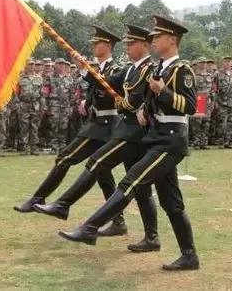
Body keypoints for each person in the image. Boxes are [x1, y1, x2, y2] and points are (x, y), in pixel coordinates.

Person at [59, 15, 200, 271]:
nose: (154, 40)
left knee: (131, 181)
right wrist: (145, 108)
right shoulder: (159, 70)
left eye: (158, 37)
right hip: (156, 136)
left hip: (170, 140)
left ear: (172, 39)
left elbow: (189, 106)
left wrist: (163, 92)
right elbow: (146, 98)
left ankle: (89, 228)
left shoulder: (182, 70)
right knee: (172, 203)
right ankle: (189, 255)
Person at [34, 24, 161, 250]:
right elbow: (106, 84)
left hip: (134, 132)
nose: (128, 47)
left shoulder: (150, 69)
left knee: (97, 163)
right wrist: (84, 68)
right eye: (127, 43)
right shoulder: (131, 70)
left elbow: (148, 96)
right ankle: (151, 237)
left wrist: (137, 106)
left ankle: (64, 206)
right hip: (127, 131)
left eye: (132, 43)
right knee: (140, 187)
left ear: (144, 44)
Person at [13, 25, 124, 231]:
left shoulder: (115, 69)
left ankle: (39, 198)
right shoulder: (97, 69)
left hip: (105, 126)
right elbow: (97, 92)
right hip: (95, 123)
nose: (93, 46)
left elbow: (107, 88)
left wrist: (83, 69)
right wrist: (87, 103)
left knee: (67, 159)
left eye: (96, 43)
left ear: (107, 45)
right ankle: (118, 221)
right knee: (102, 174)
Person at [212, 56, 232, 148]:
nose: (227, 63)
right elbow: (214, 89)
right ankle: (221, 141)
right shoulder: (217, 74)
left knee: (231, 122)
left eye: (229, 62)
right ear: (223, 63)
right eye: (226, 62)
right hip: (222, 102)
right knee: (222, 123)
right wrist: (215, 102)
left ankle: (227, 141)